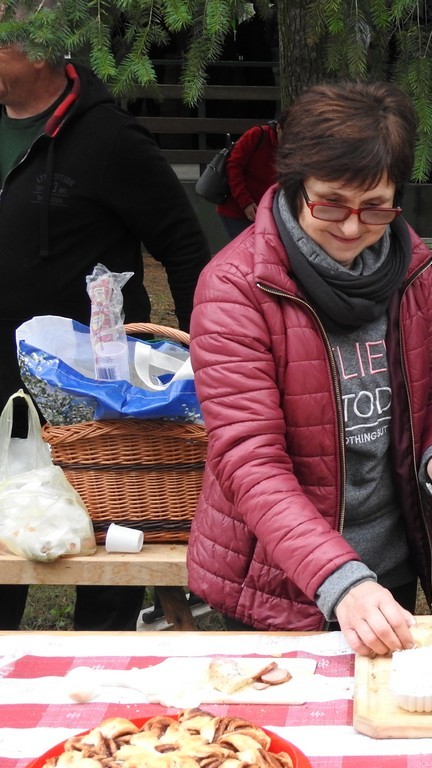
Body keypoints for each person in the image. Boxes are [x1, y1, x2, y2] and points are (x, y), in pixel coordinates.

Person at [186, 81, 432, 655]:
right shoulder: (235, 286)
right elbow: (250, 461)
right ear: (295, 186)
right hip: (280, 585)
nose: (352, 227)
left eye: (375, 206)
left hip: (385, 572)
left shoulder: (409, 266)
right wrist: (339, 580)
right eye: (330, 204)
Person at [0, 38, 210, 629]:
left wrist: (207, 360)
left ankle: (107, 668)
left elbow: (185, 247)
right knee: (8, 529)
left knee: (109, 531)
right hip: (1, 385)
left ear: (38, 50)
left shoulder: (109, 138)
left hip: (96, 386)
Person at [214, 116, 282, 239]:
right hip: (237, 210)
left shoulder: (291, 149)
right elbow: (233, 166)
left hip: (265, 213)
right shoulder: (257, 135)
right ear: (279, 128)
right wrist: (245, 203)